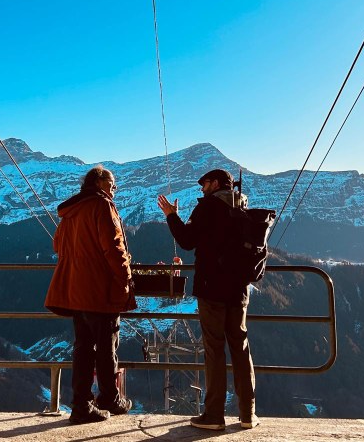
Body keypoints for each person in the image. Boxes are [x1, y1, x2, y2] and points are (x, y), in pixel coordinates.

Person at [157, 169, 258, 431]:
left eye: (204, 184)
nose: (202, 189)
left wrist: (171, 216)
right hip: (239, 289)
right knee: (240, 347)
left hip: (212, 288)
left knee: (214, 350)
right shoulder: (243, 206)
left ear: (215, 184)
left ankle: (214, 415)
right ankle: (248, 413)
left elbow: (187, 240)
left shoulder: (208, 208)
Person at [45, 165, 136, 424]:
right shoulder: (102, 206)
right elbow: (114, 247)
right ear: (99, 183)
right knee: (107, 346)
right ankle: (109, 398)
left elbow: (57, 244)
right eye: (112, 184)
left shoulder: (71, 210)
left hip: (76, 290)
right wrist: (126, 277)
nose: (114, 190)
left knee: (83, 347)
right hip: (100, 289)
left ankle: (82, 404)